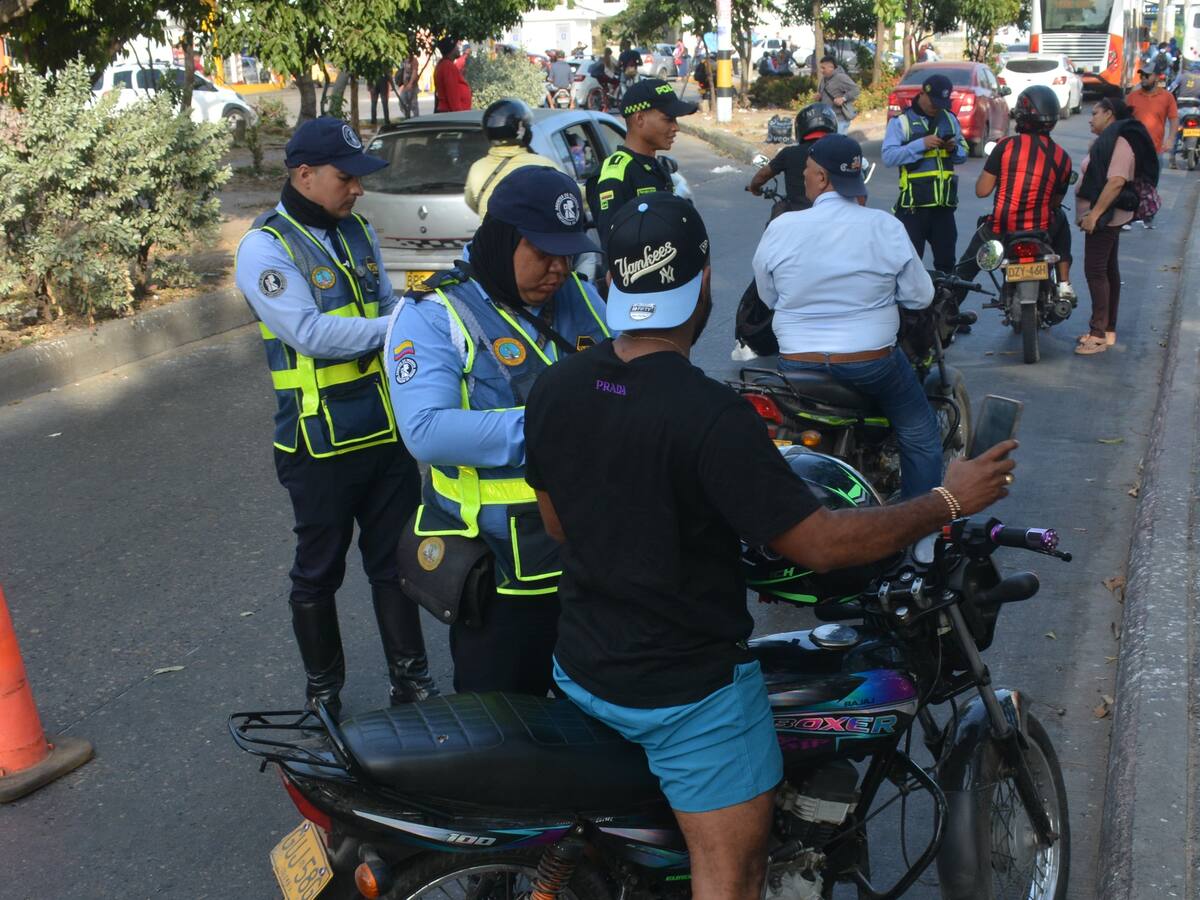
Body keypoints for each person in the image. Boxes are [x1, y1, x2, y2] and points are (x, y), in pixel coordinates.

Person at [523, 191, 1017, 900]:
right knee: (735, 875)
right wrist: (945, 499)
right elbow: (818, 544)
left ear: (610, 283)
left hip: (580, 666)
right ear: (705, 285)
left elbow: (561, 523)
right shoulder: (711, 416)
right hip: (685, 700)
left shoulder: (558, 385)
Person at [235, 117, 437, 719]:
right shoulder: (265, 248)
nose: (357, 190)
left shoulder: (358, 233)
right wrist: (400, 326)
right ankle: (324, 696)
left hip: (383, 431)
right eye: (346, 178)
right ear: (304, 174)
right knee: (318, 573)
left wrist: (419, 309)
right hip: (317, 443)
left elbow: (383, 305)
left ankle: (413, 683)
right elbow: (309, 332)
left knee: (396, 563)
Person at [385, 167, 611, 695]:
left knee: (599, 716)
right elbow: (424, 430)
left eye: (568, 253)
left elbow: (627, 373)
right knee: (504, 731)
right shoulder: (434, 313)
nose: (559, 268)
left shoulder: (578, 295)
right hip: (501, 572)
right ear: (504, 237)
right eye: (543, 252)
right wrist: (553, 425)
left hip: (590, 555)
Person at [754, 134, 942, 498]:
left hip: (796, 365)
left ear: (822, 179)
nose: (805, 178)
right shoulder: (884, 226)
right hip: (870, 364)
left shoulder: (781, 227)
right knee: (920, 432)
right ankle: (924, 532)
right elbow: (919, 297)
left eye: (808, 172)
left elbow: (769, 297)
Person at [955, 85, 1075, 303]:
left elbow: (982, 191)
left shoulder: (1005, 146)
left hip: (1001, 229)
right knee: (1062, 221)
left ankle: (947, 319)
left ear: (1021, 115)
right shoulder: (1062, 157)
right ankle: (1064, 284)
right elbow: (1055, 202)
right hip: (1042, 230)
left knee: (964, 270)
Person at [1075, 98, 1159, 354]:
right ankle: (1106, 330)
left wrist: (1094, 215)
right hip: (1106, 216)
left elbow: (1116, 182)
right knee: (1108, 270)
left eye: (1096, 113)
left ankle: (1098, 333)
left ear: (1110, 114)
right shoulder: (1109, 141)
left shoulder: (1119, 143)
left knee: (1095, 271)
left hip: (1106, 217)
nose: (1091, 118)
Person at [586, 78, 697, 245]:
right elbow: (616, 246)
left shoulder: (655, 166)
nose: (676, 128)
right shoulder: (615, 175)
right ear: (639, 119)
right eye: (668, 119)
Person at [881, 72, 969, 274]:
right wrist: (920, 145)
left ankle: (946, 304)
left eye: (941, 102)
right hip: (913, 207)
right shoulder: (901, 122)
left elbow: (963, 153)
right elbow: (888, 157)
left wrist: (953, 149)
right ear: (922, 93)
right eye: (934, 100)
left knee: (947, 265)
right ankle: (911, 306)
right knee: (909, 267)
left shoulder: (949, 119)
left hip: (944, 207)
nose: (936, 106)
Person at [464, 98, 557, 218]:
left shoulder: (477, 168)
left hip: (491, 236)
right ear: (520, 129)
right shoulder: (543, 165)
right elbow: (574, 196)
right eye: (526, 124)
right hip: (531, 236)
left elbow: (471, 202)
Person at [747, 101, 837, 213]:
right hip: (834, 211)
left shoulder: (789, 153)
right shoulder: (842, 151)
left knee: (777, 217)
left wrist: (754, 188)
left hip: (797, 210)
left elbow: (763, 175)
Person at [1127, 64, 1176, 203]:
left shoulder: (1167, 97)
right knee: (1132, 183)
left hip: (1155, 150)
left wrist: (1171, 138)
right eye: (1141, 75)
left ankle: (1148, 214)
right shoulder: (1132, 97)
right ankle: (1131, 213)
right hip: (1134, 150)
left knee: (1152, 184)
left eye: (1147, 76)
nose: (1143, 78)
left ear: (1155, 77)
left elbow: (1173, 118)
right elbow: (1123, 120)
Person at [816, 55, 860, 134]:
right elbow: (822, 94)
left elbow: (856, 90)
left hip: (840, 120)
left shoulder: (841, 77)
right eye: (821, 68)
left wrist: (843, 98)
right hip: (828, 119)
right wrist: (819, 97)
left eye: (823, 68)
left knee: (837, 145)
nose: (821, 70)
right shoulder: (824, 79)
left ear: (831, 67)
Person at [433, 38, 471, 112]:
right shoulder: (448, 66)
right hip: (450, 112)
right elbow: (452, 93)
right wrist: (459, 114)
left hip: (449, 111)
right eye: (456, 46)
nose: (458, 48)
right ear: (452, 50)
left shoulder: (443, 64)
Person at [395, 51, 419, 119]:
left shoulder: (413, 60)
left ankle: (416, 120)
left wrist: (411, 83)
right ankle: (407, 117)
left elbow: (414, 72)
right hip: (405, 87)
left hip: (412, 87)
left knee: (414, 105)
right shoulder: (404, 60)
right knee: (401, 103)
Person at [368, 62, 393, 126]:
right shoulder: (385, 59)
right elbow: (389, 73)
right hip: (383, 82)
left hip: (375, 82)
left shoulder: (372, 59)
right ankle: (386, 120)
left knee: (374, 103)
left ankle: (373, 121)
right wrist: (392, 84)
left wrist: (369, 85)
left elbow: (368, 73)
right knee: (384, 103)